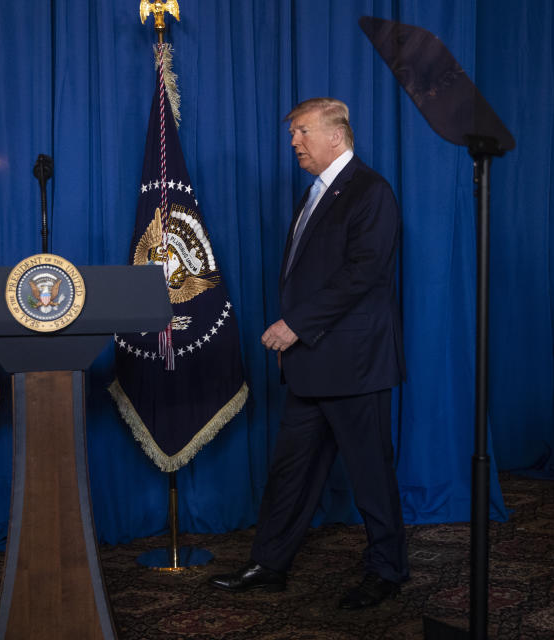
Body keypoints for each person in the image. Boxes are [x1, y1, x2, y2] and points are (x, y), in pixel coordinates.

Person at [208, 97, 408, 609]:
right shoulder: (315, 193)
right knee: (290, 473)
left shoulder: (370, 190)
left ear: (335, 136)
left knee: (370, 476)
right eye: (293, 133)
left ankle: (387, 571)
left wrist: (294, 325)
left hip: (355, 365)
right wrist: (295, 340)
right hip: (310, 364)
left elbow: (363, 273)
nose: (293, 142)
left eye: (301, 132)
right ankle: (269, 564)